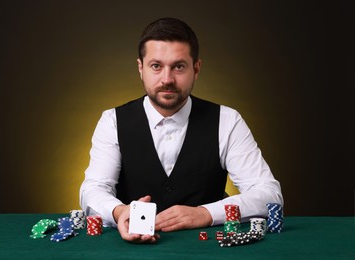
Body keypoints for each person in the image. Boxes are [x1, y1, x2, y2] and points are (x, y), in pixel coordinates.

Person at [80, 17, 283, 243]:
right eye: (156, 66)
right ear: (141, 68)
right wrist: (119, 212)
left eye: (178, 66)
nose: (167, 79)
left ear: (196, 69)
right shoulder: (112, 121)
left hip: (208, 250)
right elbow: (93, 189)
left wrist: (205, 214)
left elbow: (269, 194)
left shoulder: (227, 120)